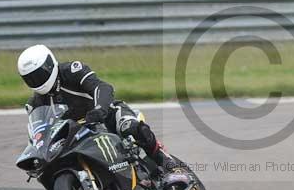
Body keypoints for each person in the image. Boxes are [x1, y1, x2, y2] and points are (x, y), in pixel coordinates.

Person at [16, 44, 176, 173]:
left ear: (50, 65)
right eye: (30, 78)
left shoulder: (71, 71)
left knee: (132, 127)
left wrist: (99, 109)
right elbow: (38, 133)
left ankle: (168, 164)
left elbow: (103, 87)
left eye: (39, 74)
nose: (36, 80)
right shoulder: (35, 103)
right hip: (77, 135)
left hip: (107, 115)